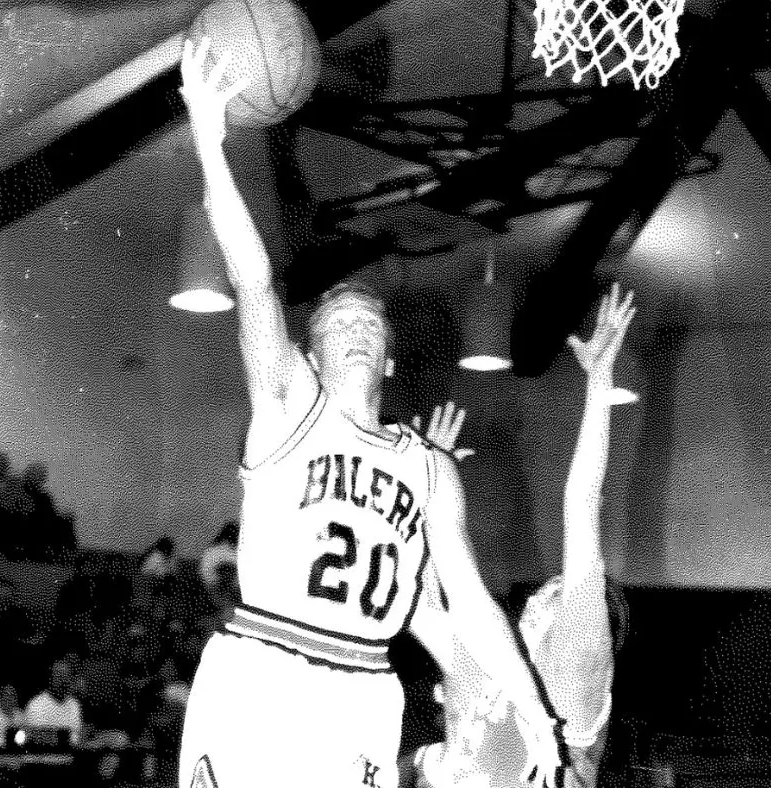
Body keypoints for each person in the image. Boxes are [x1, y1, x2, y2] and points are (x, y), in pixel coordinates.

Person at [176, 36, 562, 788]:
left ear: (388, 360)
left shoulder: (431, 468)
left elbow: (472, 603)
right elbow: (254, 281)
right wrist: (211, 147)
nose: (353, 329)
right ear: (310, 356)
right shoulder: (288, 406)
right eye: (334, 326)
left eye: (368, 325)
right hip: (264, 666)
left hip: (364, 686)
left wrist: (533, 707)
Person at [411, 285, 637, 788]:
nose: (540, 595)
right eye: (545, 589)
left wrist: (600, 386)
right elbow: (422, 601)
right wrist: (430, 485)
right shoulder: (491, 661)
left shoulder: (575, 669)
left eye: (559, 593)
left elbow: (580, 506)